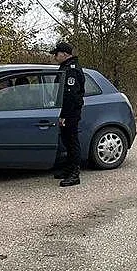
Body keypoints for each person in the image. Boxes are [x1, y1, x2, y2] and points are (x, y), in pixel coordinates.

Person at [50, 42, 85, 187]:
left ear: (64, 54)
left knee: (71, 141)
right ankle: (69, 169)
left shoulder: (71, 70)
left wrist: (64, 115)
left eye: (56, 54)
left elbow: (70, 96)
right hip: (67, 111)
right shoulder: (65, 67)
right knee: (67, 140)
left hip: (70, 112)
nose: (55, 56)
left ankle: (75, 174)